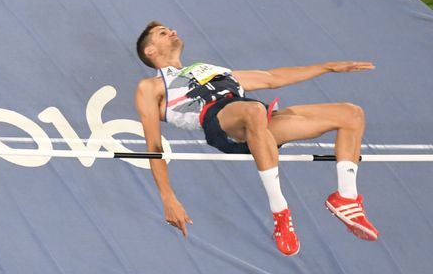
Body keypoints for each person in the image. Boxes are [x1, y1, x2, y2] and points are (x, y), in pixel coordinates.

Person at [134, 21, 379, 256]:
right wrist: (168, 198)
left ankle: (345, 198)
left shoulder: (209, 69)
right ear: (150, 50)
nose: (172, 32)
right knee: (253, 111)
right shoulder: (151, 86)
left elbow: (272, 78)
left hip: (257, 118)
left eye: (170, 29)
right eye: (162, 33)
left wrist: (327, 67)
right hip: (220, 122)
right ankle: (280, 211)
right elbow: (154, 146)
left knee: (350, 114)